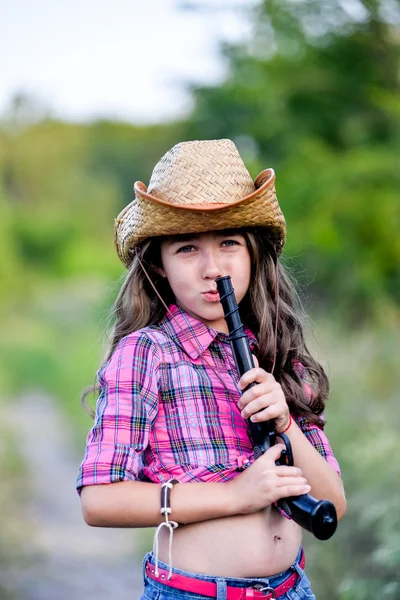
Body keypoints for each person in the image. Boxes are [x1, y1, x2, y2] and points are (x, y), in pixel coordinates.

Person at [77, 139, 346, 600]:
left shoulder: (279, 353)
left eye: (228, 243)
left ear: (252, 253)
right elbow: (100, 501)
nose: (213, 268)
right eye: (186, 248)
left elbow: (333, 506)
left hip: (291, 590)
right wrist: (235, 496)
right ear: (158, 265)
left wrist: (285, 423)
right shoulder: (147, 353)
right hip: (195, 592)